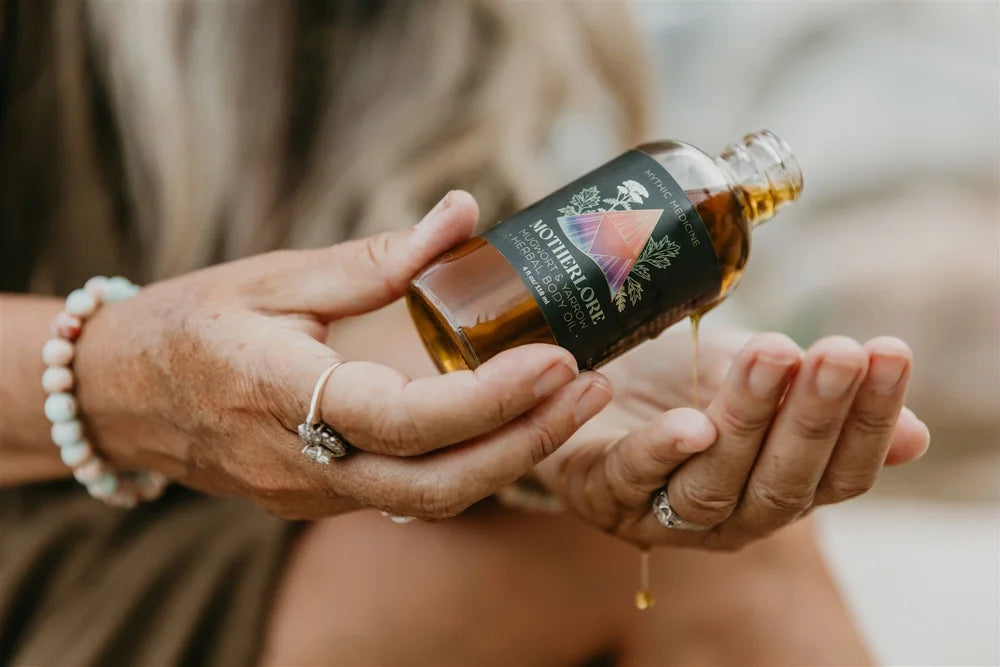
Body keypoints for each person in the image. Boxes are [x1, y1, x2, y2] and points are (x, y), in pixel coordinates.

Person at [0, 2, 930, 665]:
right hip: (37, 526)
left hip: (271, 516)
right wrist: (119, 373)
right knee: (669, 579)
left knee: (707, 548)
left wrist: (556, 405)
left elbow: (425, 305)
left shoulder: (481, 31)